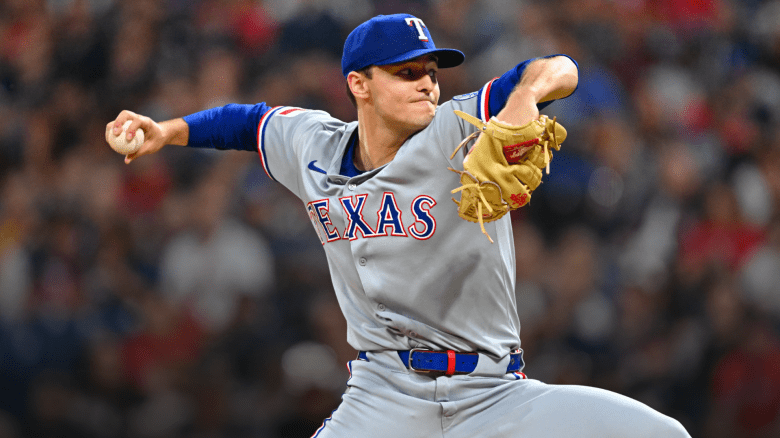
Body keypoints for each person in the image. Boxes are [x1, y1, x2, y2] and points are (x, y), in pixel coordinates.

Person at [106, 13, 691, 438]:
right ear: (359, 85)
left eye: (431, 71)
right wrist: (167, 131)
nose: (428, 84)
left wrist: (524, 98)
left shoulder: (457, 127)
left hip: (493, 396)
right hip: (381, 397)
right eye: (405, 72)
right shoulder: (312, 144)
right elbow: (246, 122)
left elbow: (559, 67)